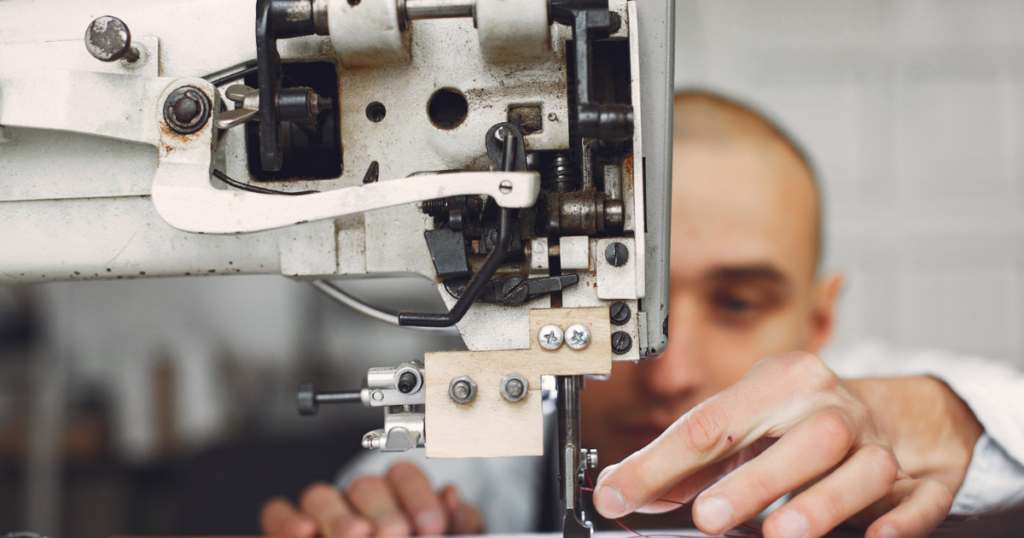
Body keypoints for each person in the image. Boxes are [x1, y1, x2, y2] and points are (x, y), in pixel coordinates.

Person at [260, 91, 1024, 538]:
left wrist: (943, 417)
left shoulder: (854, 406)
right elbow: (409, 473)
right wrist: (387, 511)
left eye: (736, 303)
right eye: (620, 300)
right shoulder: (507, 428)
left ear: (818, 324)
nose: (668, 367)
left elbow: (1003, 410)